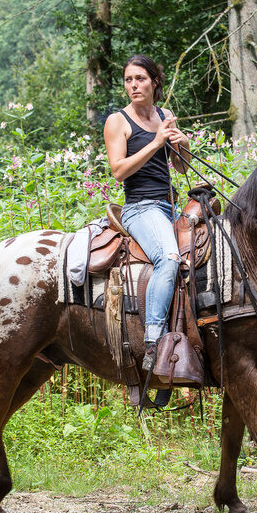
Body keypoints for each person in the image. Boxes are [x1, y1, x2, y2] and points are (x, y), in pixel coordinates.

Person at [104, 54, 190, 372]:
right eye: (128, 79)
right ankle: (153, 342)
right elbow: (119, 171)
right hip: (140, 207)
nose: (133, 85)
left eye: (140, 78)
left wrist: (182, 144)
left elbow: (181, 166)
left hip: (171, 206)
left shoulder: (165, 115)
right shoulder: (118, 121)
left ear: (154, 82)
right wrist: (156, 143)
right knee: (168, 258)